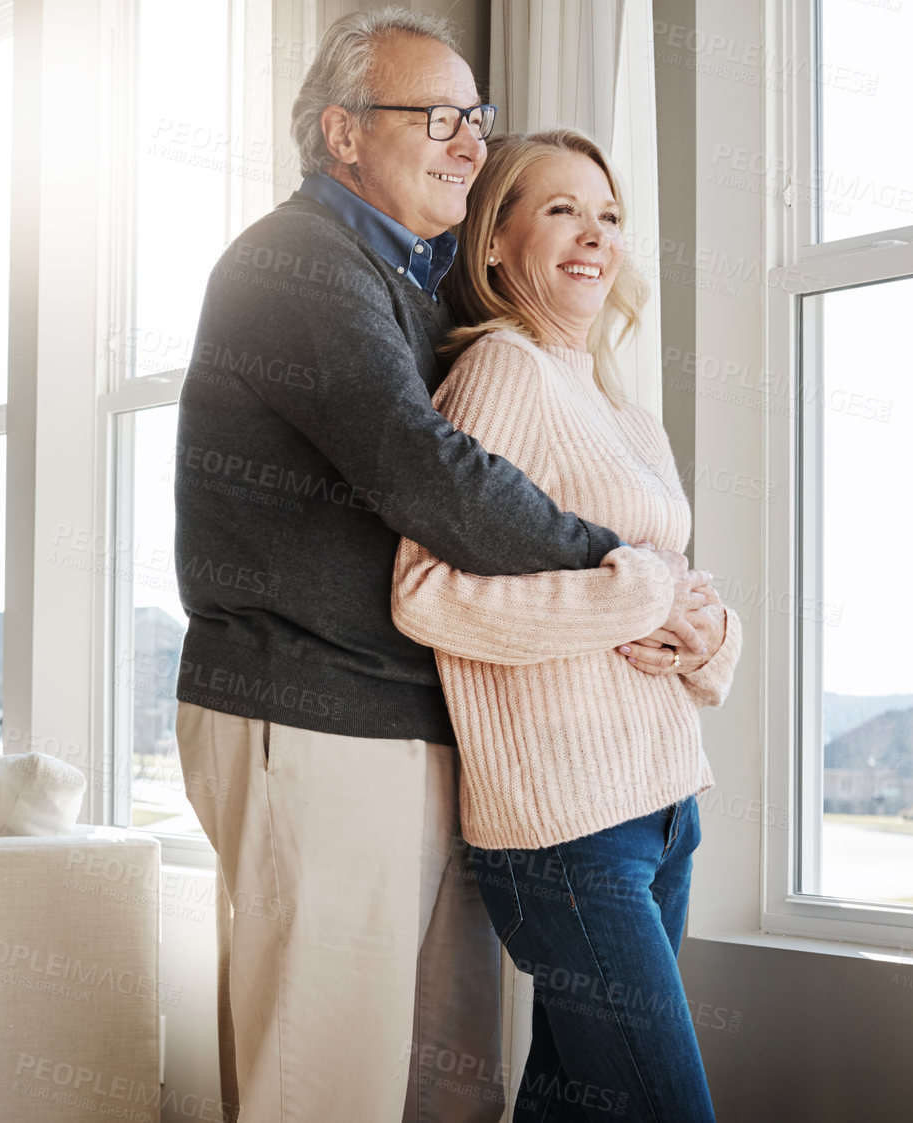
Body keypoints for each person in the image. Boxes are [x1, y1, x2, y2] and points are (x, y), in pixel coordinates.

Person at [171, 10, 711, 1121]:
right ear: (342, 134)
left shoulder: (407, 292)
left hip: (413, 729)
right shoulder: (297, 261)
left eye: (477, 117)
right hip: (308, 710)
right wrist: (627, 574)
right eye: (437, 116)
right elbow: (426, 472)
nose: (468, 141)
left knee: (441, 1083)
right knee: (324, 1081)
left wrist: (670, 600)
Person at [390, 128, 742, 1122]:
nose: (592, 235)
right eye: (559, 210)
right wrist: (633, 596)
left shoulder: (623, 413)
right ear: (494, 243)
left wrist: (710, 641)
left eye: (607, 215)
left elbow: (675, 582)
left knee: (573, 1107)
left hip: (666, 809)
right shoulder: (500, 372)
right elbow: (426, 593)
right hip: (566, 829)